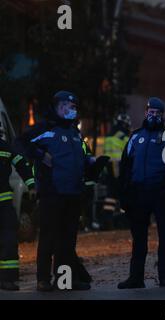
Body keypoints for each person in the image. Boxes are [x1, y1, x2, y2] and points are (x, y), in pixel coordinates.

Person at [15, 90, 98, 291]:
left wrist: (90, 161)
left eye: (74, 107)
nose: (73, 110)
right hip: (53, 193)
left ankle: (65, 281)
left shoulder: (74, 132)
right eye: (70, 107)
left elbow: (83, 154)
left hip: (73, 194)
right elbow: (20, 143)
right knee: (49, 237)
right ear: (59, 107)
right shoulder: (45, 129)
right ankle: (43, 279)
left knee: (68, 240)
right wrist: (40, 155)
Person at [118, 97, 165, 289]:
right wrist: (125, 193)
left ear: (162, 116)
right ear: (146, 113)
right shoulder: (135, 137)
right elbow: (125, 166)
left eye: (157, 113)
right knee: (138, 238)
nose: (153, 116)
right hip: (139, 194)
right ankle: (136, 277)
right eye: (151, 112)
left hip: (161, 194)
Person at [0, 134, 35, 291]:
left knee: (9, 240)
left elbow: (21, 163)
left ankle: (8, 279)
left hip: (4, 203)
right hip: (5, 204)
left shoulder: (4, 146)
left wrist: (31, 184)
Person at [102, 113, 131, 229]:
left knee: (111, 195)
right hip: (119, 167)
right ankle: (124, 220)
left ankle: (106, 220)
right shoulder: (123, 136)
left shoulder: (109, 135)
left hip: (109, 168)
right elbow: (130, 153)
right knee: (124, 193)